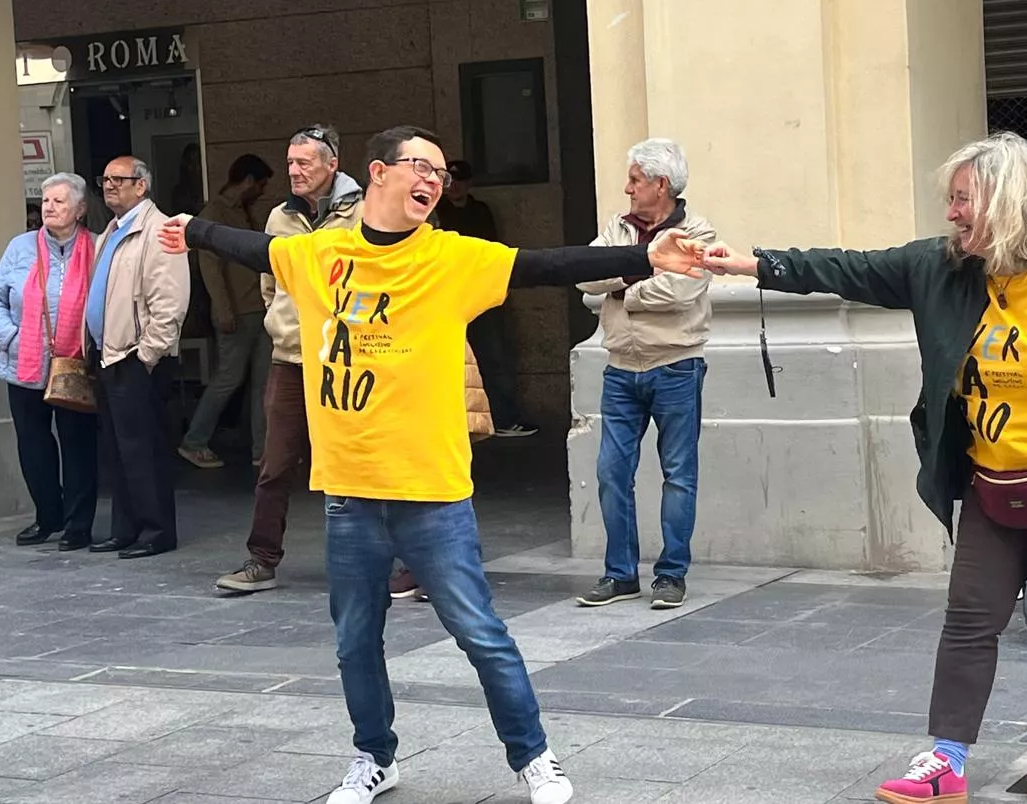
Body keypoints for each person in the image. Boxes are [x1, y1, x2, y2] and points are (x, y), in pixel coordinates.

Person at [161, 124, 706, 804]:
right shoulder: (317, 253)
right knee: (355, 640)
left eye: (441, 174)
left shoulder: (452, 260)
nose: (433, 180)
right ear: (378, 173)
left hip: (431, 491)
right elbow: (257, 248)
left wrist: (646, 259)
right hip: (349, 491)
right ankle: (374, 758)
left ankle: (535, 758)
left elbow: (543, 265)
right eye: (420, 165)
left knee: (481, 634)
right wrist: (194, 228)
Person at [703, 132, 1027, 802]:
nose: (951, 214)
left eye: (962, 200)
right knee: (970, 618)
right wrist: (750, 264)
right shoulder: (939, 269)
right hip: (992, 484)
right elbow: (847, 269)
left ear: (1004, 201)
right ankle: (946, 763)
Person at [215, 127, 363, 594]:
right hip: (290, 357)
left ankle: (377, 562)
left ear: (332, 164)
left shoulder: (363, 212)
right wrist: (282, 321)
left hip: (348, 359)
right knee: (274, 463)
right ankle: (261, 560)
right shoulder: (280, 216)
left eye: (305, 163)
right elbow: (270, 280)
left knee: (358, 465)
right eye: (291, 162)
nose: (294, 171)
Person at [574, 138, 717, 611]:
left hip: (676, 365)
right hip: (620, 367)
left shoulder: (699, 231)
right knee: (611, 472)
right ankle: (620, 575)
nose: (627, 188)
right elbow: (584, 276)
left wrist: (621, 288)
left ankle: (671, 575)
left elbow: (678, 293)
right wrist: (635, 274)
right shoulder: (617, 226)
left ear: (660, 185)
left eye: (635, 180)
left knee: (678, 474)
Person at [0, 172, 99, 550]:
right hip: (24, 364)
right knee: (34, 445)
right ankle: (48, 516)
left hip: (75, 366)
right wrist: (11, 338)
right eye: (45, 200)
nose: (49, 207)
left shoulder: (97, 247)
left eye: (59, 201)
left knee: (78, 446)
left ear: (79, 210)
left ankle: (78, 524)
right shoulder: (20, 247)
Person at [85, 155, 191, 559]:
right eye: (105, 179)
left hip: (135, 358)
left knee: (143, 449)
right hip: (108, 356)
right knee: (116, 448)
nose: (109, 186)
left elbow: (170, 304)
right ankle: (125, 529)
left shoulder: (159, 230)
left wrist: (146, 356)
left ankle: (156, 530)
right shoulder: (110, 232)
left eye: (119, 179)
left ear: (141, 186)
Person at [179, 154, 275, 469]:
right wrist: (222, 308)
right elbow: (210, 267)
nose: (261, 192)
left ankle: (263, 450)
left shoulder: (244, 213)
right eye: (260, 185)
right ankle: (194, 441)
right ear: (247, 181)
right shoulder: (215, 214)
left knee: (264, 382)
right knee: (228, 379)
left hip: (259, 309)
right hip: (236, 311)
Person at [435, 158, 536, 438]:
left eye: (460, 180)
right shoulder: (434, 210)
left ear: (469, 183)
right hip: (446, 294)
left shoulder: (479, 210)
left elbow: (493, 249)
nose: (454, 187)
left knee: (494, 357)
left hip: (481, 292)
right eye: (449, 181)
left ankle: (504, 418)